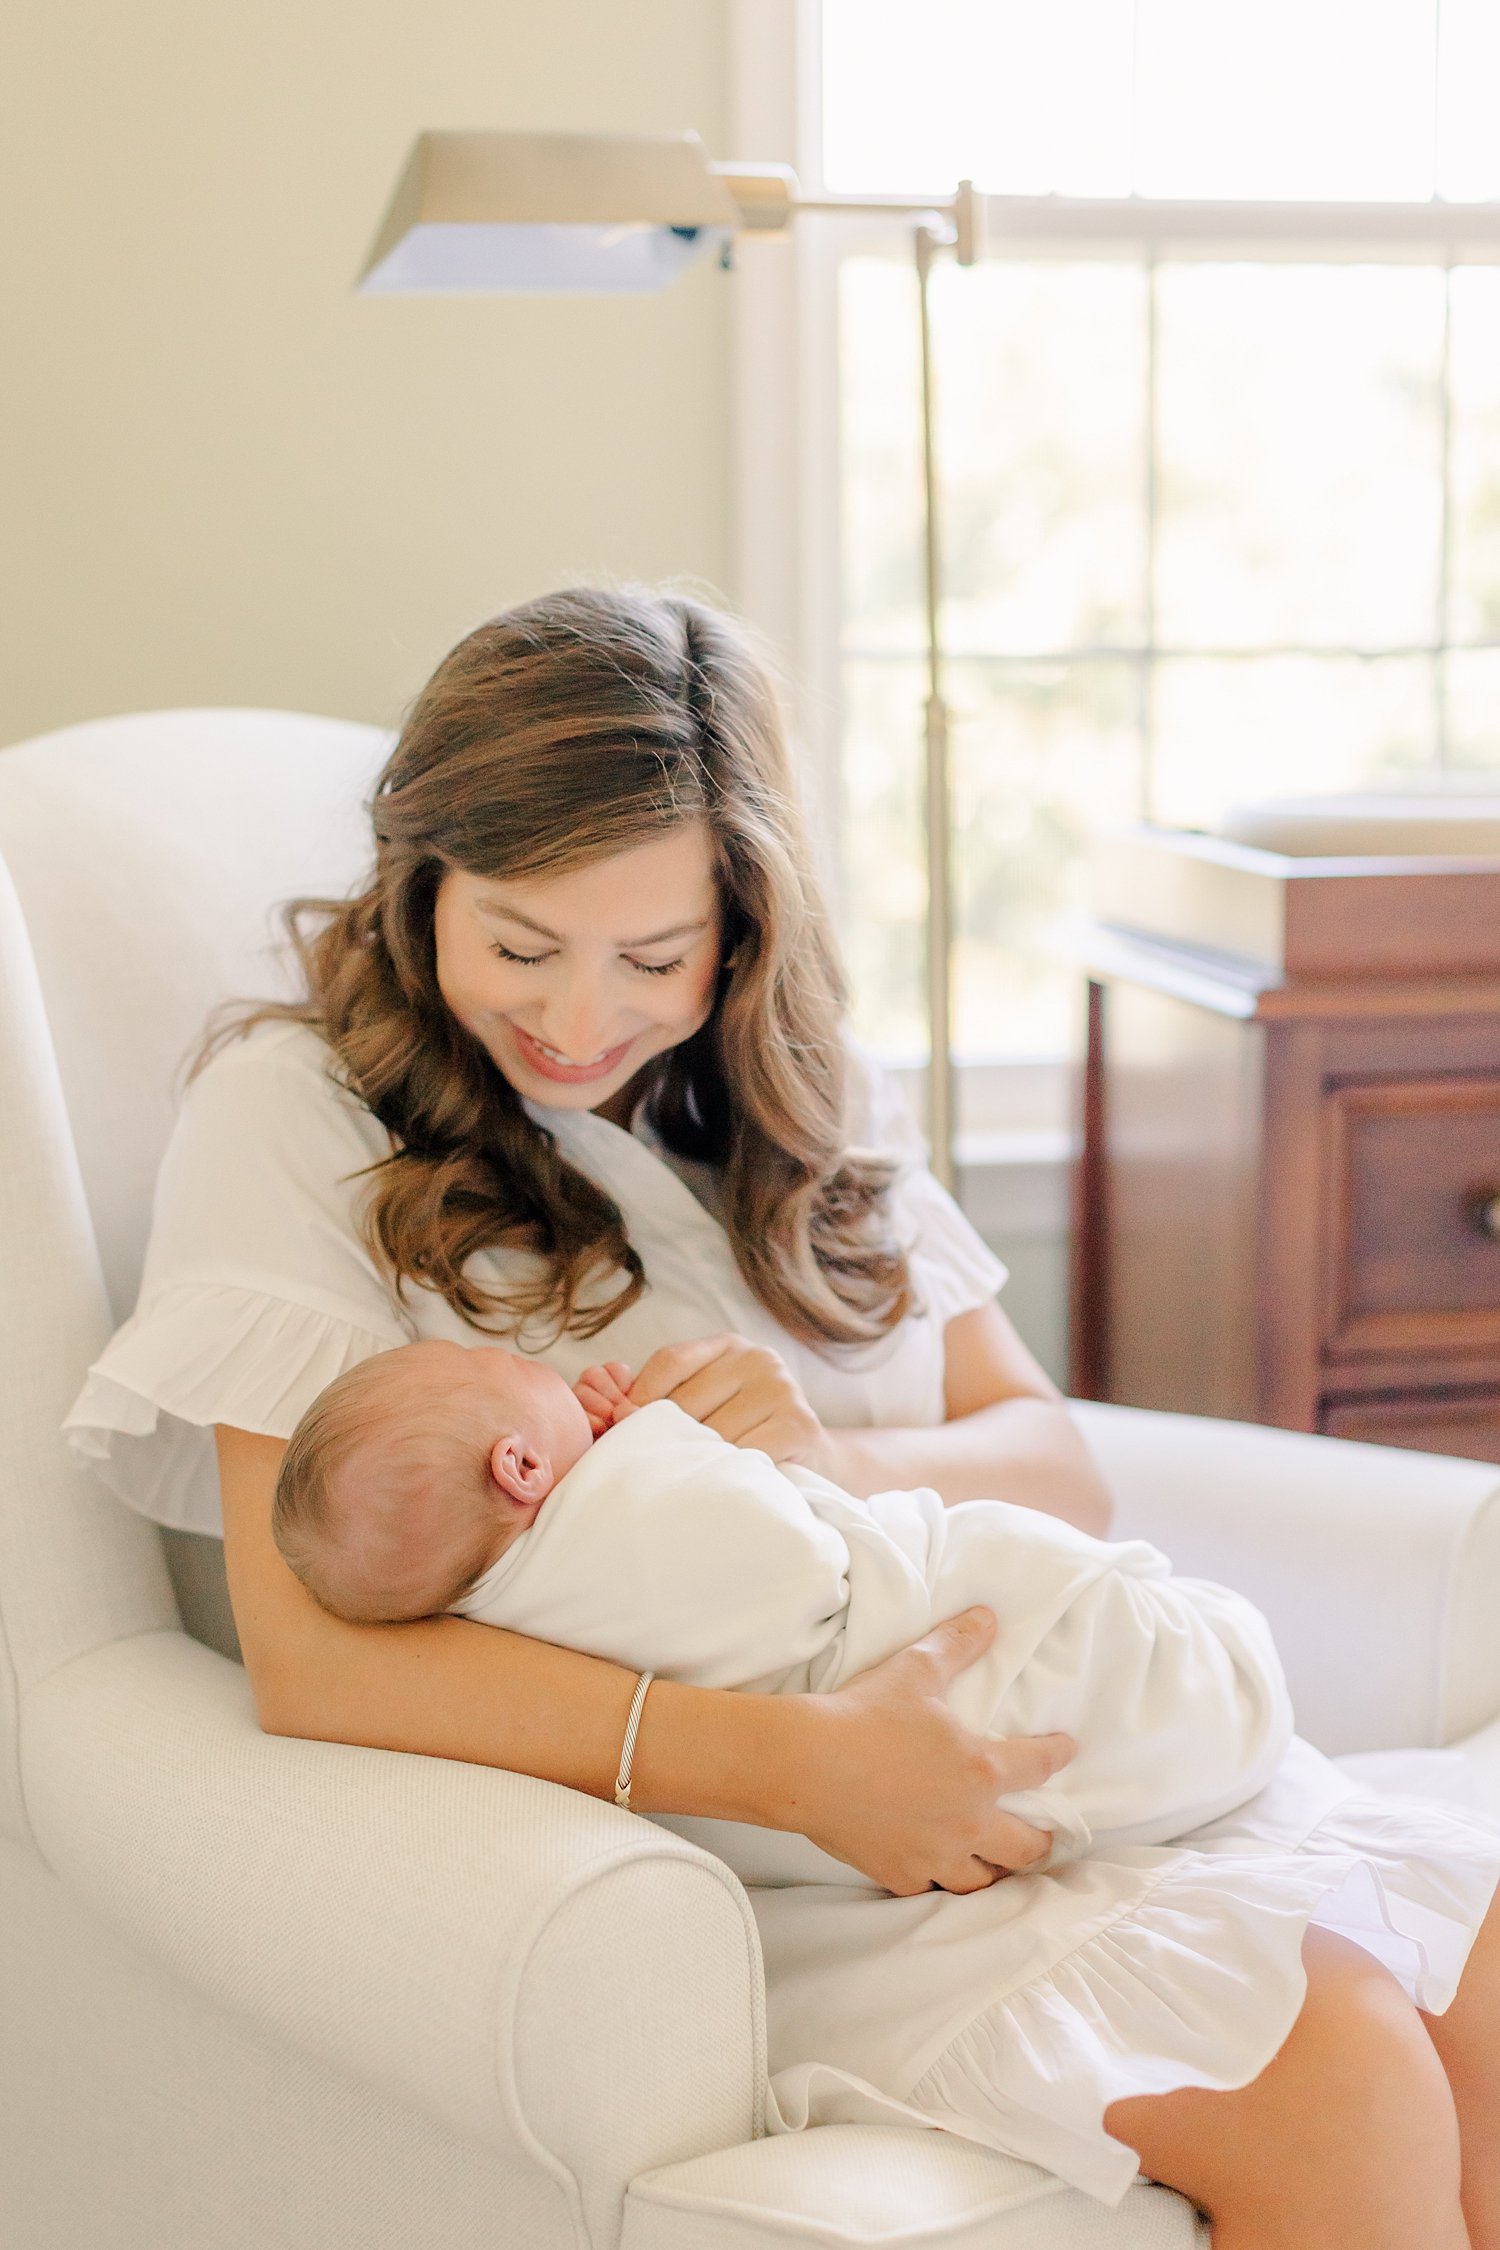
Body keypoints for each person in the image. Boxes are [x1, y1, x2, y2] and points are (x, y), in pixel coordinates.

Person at [63, 587, 1500, 2242]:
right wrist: (810, 1768)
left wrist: (823, 1455)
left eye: (655, 958)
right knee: (1332, 2072)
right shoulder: (295, 1118)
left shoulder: (806, 1103)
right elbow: (310, 1653)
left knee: (1477, 1960)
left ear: (743, 930)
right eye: (520, 942)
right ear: (421, 880)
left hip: (1070, 1766)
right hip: (763, 1858)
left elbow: (1055, 1468)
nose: (579, 1017)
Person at [270, 1336, 1294, 1888]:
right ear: (524, 1465)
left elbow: (1064, 1468)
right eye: (516, 1371)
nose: (554, 1372)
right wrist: (665, 1443)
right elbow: (794, 1563)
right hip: (866, 1756)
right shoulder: (622, 1511)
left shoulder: (499, 1600)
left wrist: (814, 1452)